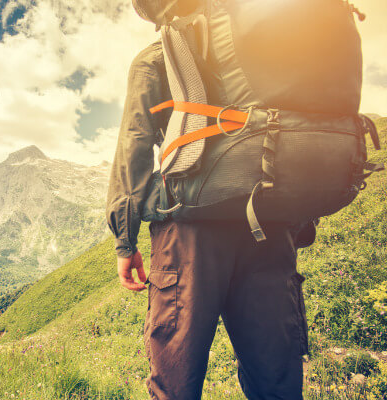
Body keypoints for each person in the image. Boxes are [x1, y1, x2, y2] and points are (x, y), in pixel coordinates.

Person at [105, 2, 315, 399]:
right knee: (276, 378)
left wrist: (125, 240)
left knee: (176, 381)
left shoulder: (154, 59)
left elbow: (134, 143)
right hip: (268, 225)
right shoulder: (266, 50)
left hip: (189, 234)